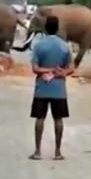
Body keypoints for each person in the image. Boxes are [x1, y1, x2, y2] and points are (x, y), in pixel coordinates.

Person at [29, 16, 74, 160]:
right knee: (58, 120)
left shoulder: (39, 45)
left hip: (42, 88)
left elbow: (35, 69)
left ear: (45, 28)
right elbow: (71, 67)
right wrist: (61, 72)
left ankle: (37, 151)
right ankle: (58, 152)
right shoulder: (64, 46)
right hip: (59, 89)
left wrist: (46, 70)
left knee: (39, 119)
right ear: (57, 28)